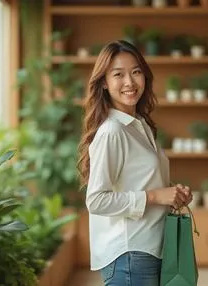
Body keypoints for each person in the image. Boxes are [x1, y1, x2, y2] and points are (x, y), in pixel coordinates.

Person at [77, 40, 193, 286]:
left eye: (136, 72)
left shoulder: (139, 126)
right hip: (130, 255)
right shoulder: (112, 131)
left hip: (148, 249)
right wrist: (154, 196)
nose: (129, 82)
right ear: (105, 84)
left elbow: (140, 179)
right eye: (118, 74)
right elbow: (96, 200)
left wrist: (172, 193)